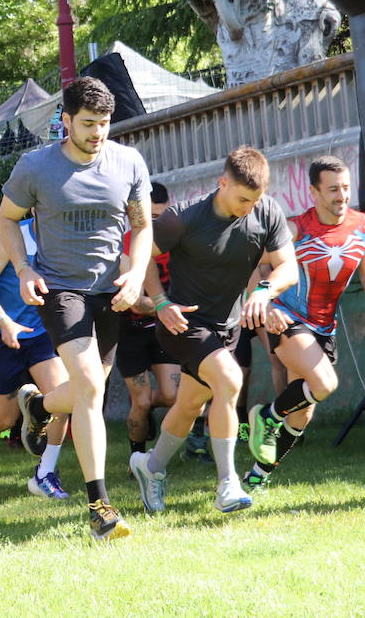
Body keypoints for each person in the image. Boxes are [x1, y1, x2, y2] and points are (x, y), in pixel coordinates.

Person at [0, 76, 153, 541]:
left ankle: (39, 404)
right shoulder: (35, 167)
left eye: (104, 124)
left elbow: (142, 227)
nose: (97, 133)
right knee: (88, 386)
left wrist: (137, 271)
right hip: (59, 289)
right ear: (65, 121)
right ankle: (99, 508)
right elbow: (7, 218)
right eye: (87, 124)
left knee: (88, 392)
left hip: (110, 292)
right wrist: (24, 269)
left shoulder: (128, 162)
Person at [128, 147, 297, 515]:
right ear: (222, 183)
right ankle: (227, 484)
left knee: (189, 403)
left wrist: (265, 291)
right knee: (230, 380)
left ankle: (150, 467)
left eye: (255, 199)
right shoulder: (184, 218)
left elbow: (288, 267)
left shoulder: (266, 211)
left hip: (227, 328)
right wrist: (158, 301)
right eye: (242, 198)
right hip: (184, 323)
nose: (249, 207)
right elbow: (139, 256)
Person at [244, 156, 365, 491]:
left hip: (324, 326)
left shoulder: (364, 226)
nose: (341, 196)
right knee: (324, 383)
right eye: (332, 190)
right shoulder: (295, 229)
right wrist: (263, 304)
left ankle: (255, 479)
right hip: (287, 318)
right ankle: (265, 416)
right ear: (313, 192)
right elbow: (251, 264)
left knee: (302, 415)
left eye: (345, 188)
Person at [0, 218, 72, 499]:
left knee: (62, 399)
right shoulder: (9, 237)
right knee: (5, 419)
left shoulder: (67, 236)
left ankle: (44, 474)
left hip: (42, 336)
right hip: (0, 334)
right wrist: (3, 322)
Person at [118, 181, 179, 458]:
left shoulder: (175, 239)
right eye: (152, 217)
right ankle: (137, 457)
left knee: (171, 396)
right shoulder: (127, 245)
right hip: (130, 330)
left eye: (162, 217)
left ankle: (147, 418)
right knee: (140, 401)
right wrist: (167, 307)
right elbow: (134, 301)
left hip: (162, 328)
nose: (158, 224)